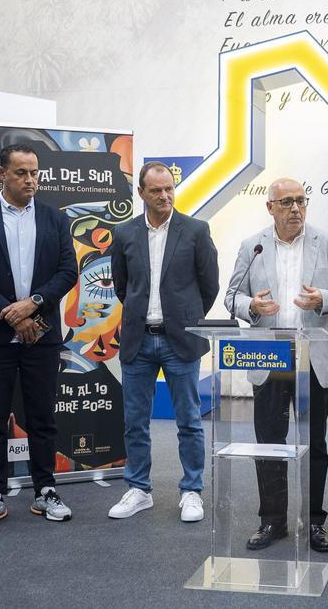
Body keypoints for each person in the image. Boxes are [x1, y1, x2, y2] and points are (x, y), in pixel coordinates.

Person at [224, 177, 328, 553]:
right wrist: (251, 307)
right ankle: (272, 520)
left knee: (314, 442)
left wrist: (323, 299)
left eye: (300, 201)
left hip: (312, 357)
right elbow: (231, 297)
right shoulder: (251, 246)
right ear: (270, 208)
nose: (295, 208)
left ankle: (315, 522)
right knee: (269, 443)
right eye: (285, 202)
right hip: (268, 357)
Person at [0, 144, 77, 532]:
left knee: (41, 417)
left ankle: (45, 489)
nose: (31, 180)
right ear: (0, 174)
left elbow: (66, 271)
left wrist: (34, 304)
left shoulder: (54, 219)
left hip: (41, 335)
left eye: (35, 173)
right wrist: (10, 313)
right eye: (22, 173)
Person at [107, 161, 219, 523]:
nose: (164, 196)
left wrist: (186, 317)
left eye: (169, 188)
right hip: (139, 340)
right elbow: (123, 286)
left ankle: (191, 491)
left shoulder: (196, 230)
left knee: (189, 420)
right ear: (141, 193)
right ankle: (138, 489)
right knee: (135, 420)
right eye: (155, 190)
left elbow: (210, 286)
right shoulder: (124, 234)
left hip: (181, 341)